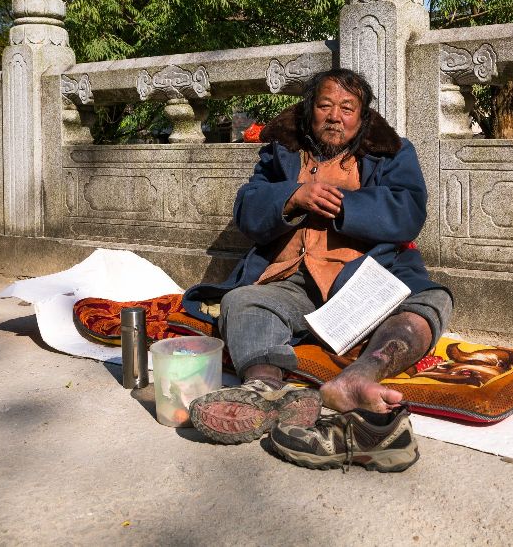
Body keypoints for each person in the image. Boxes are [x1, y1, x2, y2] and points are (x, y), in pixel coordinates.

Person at [181, 68, 452, 470]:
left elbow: (409, 212)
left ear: (362, 116)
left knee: (430, 301)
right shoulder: (282, 151)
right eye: (325, 105)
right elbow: (248, 209)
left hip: (361, 281)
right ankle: (265, 388)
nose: (335, 116)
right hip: (290, 279)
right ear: (310, 110)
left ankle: (357, 379)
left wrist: (348, 205)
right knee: (244, 300)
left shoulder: (392, 152)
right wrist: (293, 196)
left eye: (347, 108)